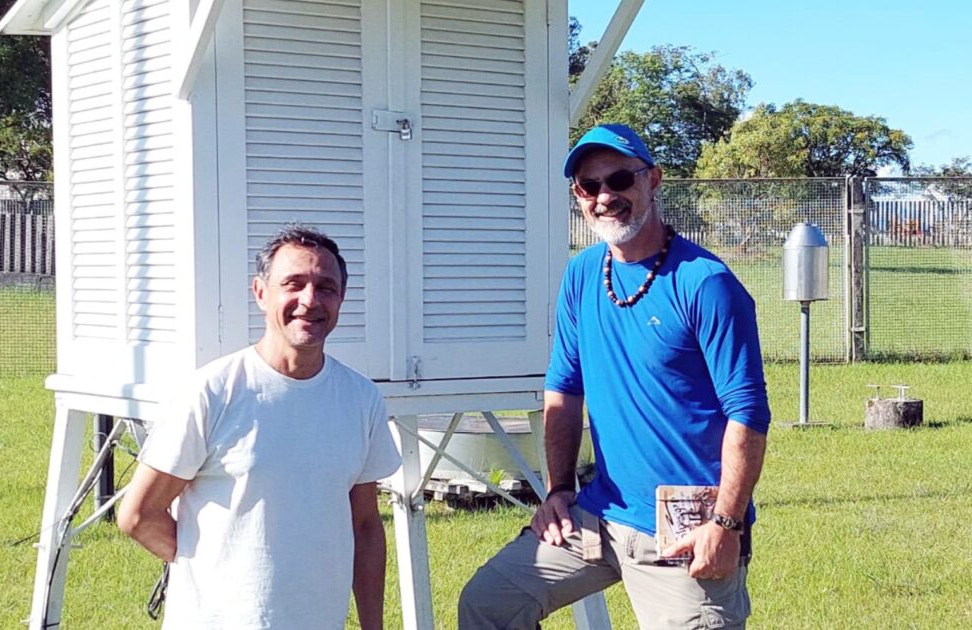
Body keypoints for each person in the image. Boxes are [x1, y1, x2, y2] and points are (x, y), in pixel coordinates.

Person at [459, 124, 771, 629]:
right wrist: (559, 491)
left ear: (653, 181)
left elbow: (748, 413)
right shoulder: (583, 273)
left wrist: (726, 524)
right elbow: (563, 389)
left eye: (620, 179)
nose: (605, 196)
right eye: (588, 186)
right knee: (489, 603)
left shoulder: (706, 284)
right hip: (599, 514)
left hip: (686, 526)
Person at [119, 224, 401, 629]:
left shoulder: (361, 398)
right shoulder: (213, 391)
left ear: (341, 299)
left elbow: (366, 526)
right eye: (293, 283)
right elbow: (139, 515)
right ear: (260, 292)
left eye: (326, 287)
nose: (310, 300)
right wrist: (212, 568)